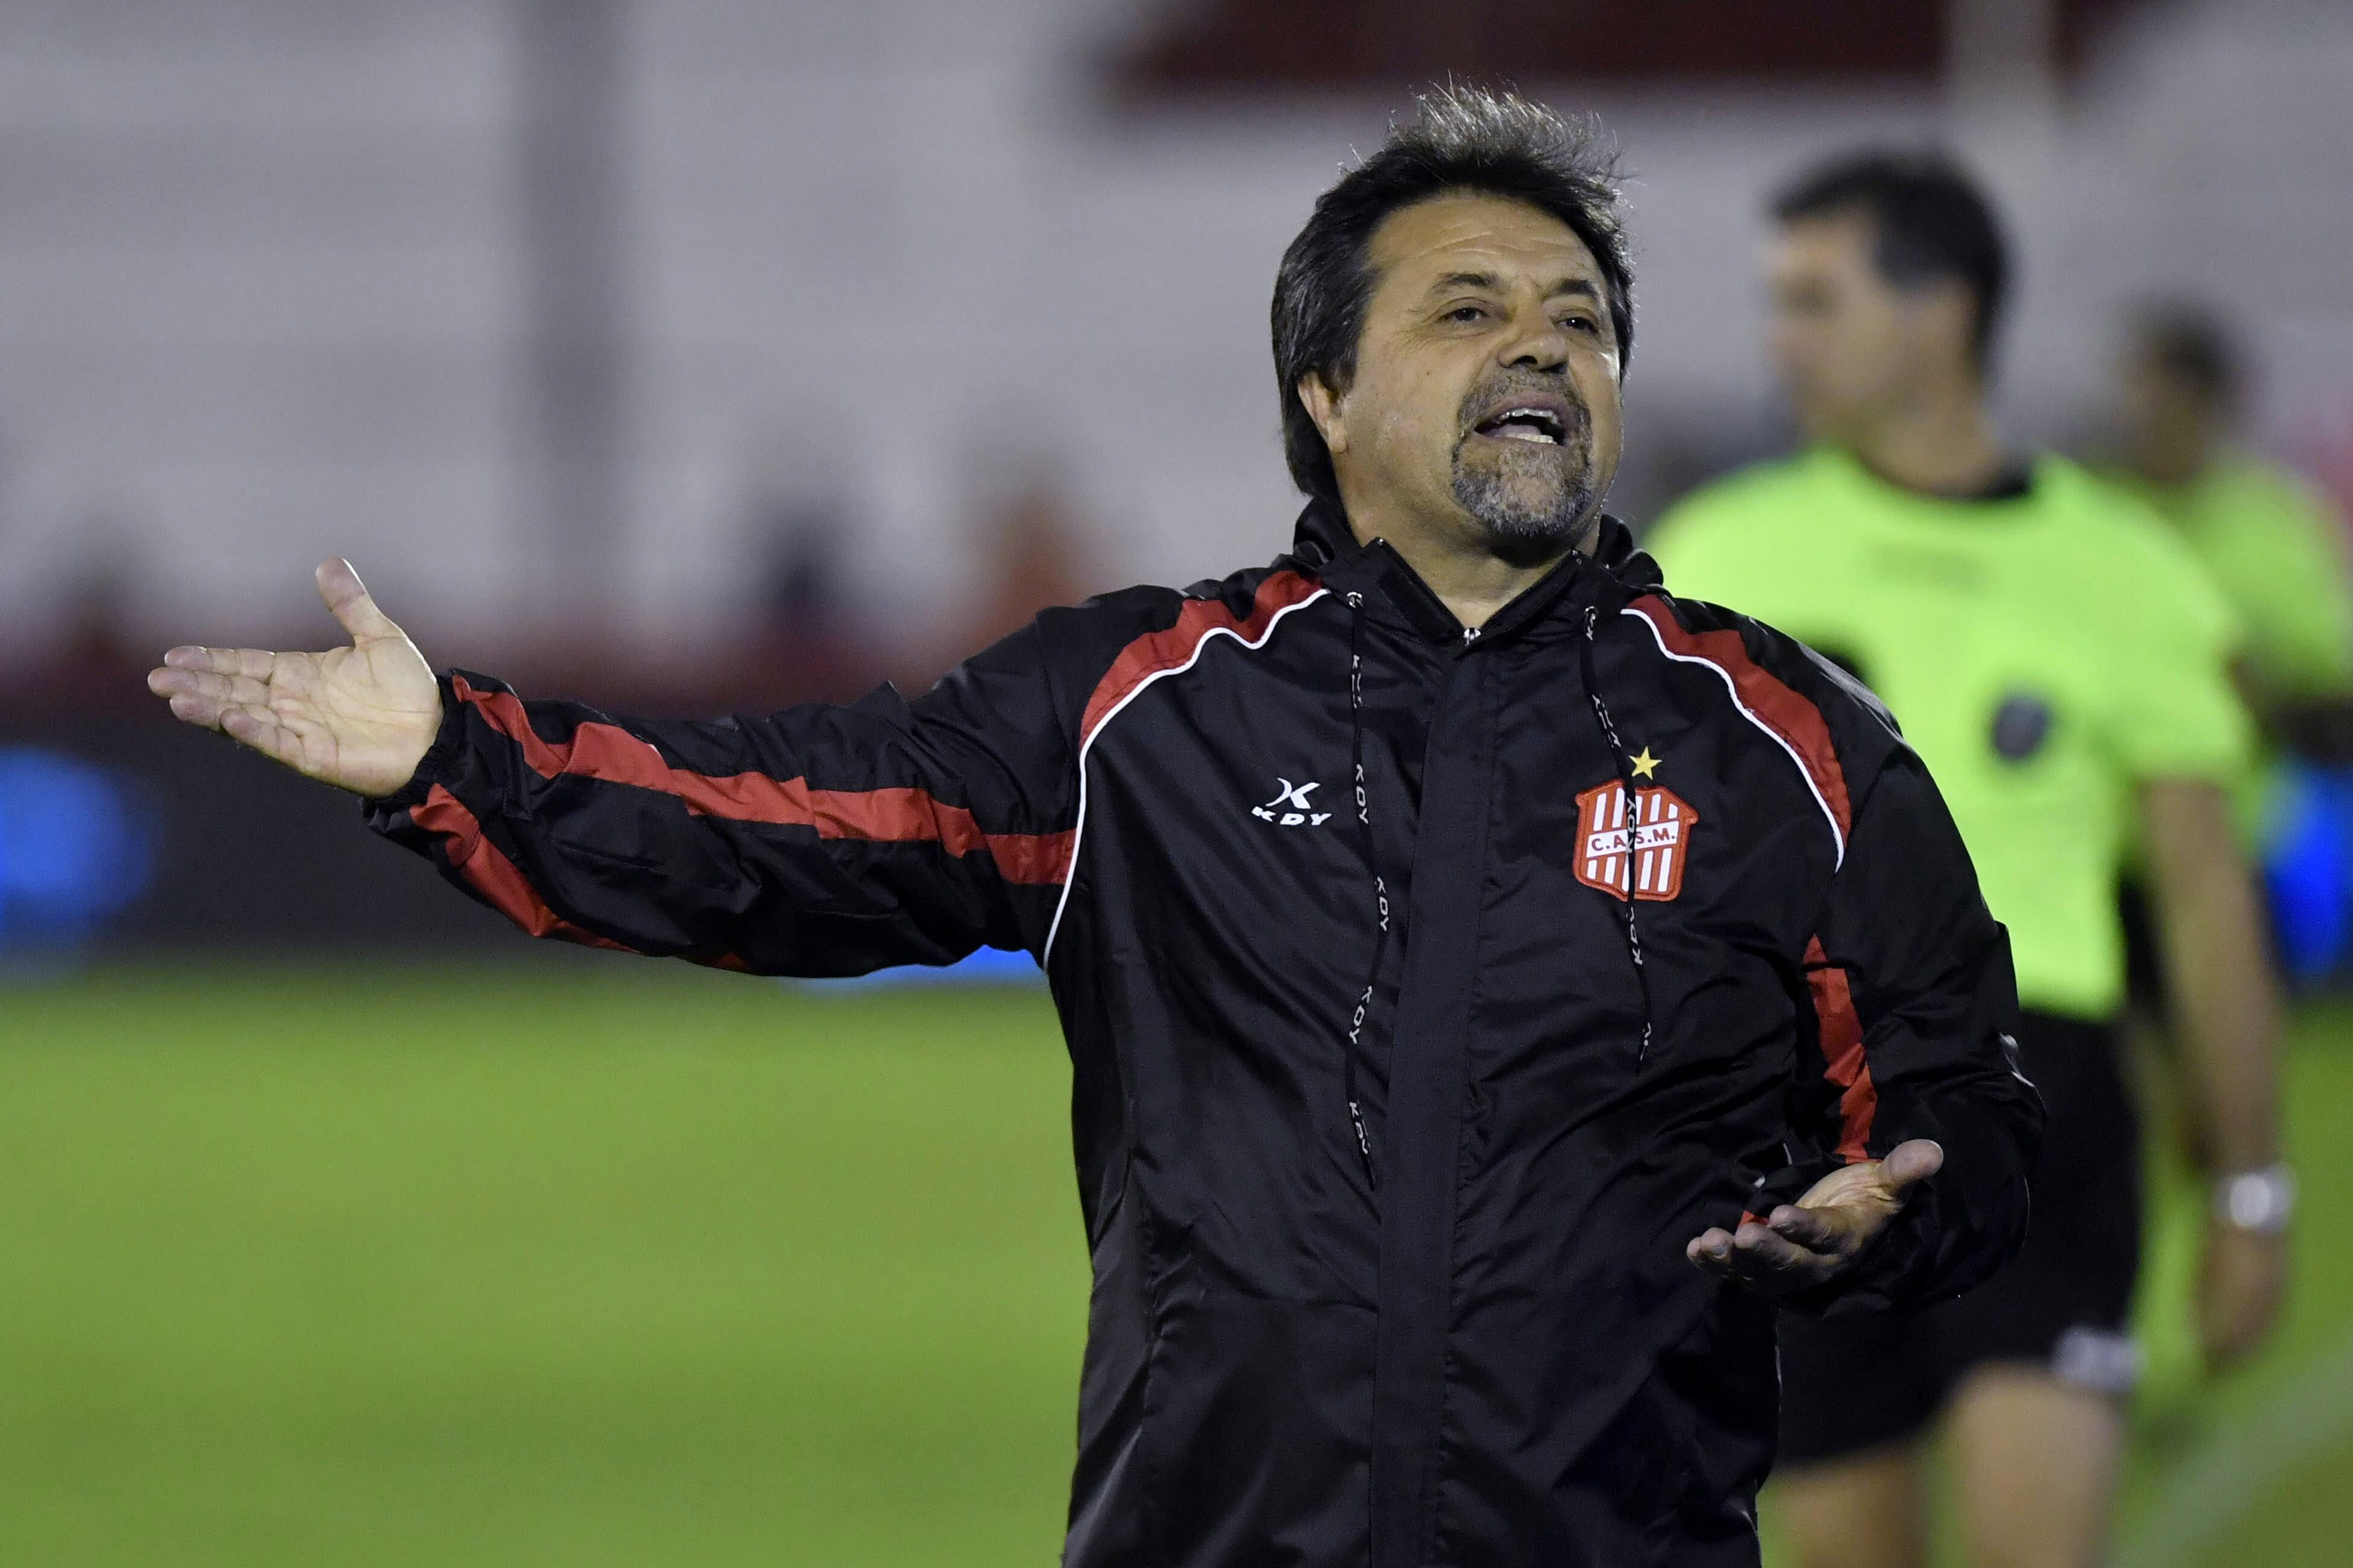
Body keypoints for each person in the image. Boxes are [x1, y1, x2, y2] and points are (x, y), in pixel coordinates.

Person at [149, 88, 2042, 1568]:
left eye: (1576, 321)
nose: (1538, 351)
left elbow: (1962, 1099)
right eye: (1466, 310)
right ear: (1323, 389)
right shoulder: (1145, 705)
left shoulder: (1777, 740)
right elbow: (792, 823)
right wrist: (454, 757)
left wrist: (1900, 1202)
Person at [1647, 153, 2288, 1568]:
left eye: (1815, 298)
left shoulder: (2122, 569)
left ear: (1938, 313)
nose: (1781, 337)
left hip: (2035, 1092)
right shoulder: (1719, 549)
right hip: (1794, 1107)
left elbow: (2201, 898)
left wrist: (2247, 1186)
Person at [2109, 302, 2353, 766]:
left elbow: (2328, 688)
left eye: (2168, 399)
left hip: (2240, 811)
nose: (2147, 418)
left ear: (2209, 406)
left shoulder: (2274, 524)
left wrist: (2250, 688)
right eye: (2137, 394)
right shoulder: (2095, 507)